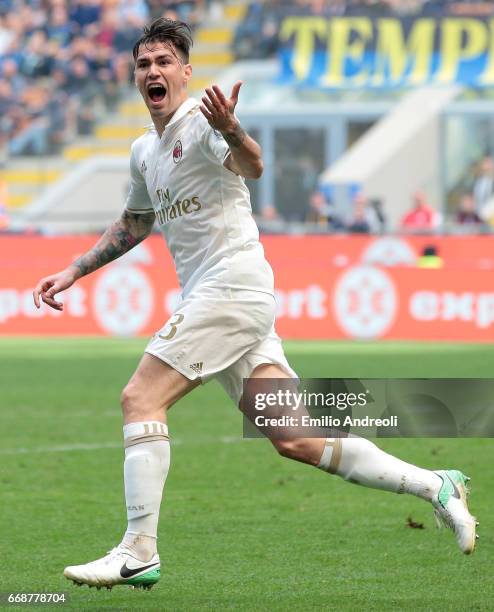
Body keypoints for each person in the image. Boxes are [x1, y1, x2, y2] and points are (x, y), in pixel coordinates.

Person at [33, 18, 478, 591]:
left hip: (232, 287)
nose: (153, 71)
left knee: (140, 397)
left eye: (164, 62)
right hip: (227, 299)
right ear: (135, 76)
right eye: (144, 64)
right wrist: (74, 269)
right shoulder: (144, 150)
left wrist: (234, 130)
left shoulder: (202, 123)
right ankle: (435, 485)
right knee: (295, 438)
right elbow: (135, 221)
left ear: (185, 72)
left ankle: (138, 550)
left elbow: (252, 163)